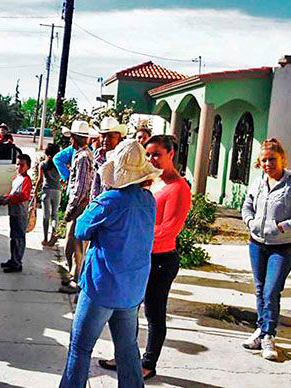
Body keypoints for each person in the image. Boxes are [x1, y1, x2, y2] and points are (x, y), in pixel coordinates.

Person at [59, 139, 162, 388]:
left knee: (80, 347)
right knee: (127, 350)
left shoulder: (110, 200)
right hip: (132, 289)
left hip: (102, 286)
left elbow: (81, 229)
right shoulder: (149, 200)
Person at [98, 135, 192, 379]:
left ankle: (148, 363)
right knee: (127, 311)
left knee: (154, 313)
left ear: (171, 154)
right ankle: (125, 357)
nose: (152, 159)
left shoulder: (178, 188)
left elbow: (168, 229)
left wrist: (132, 237)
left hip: (161, 260)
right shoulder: (151, 181)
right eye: (148, 154)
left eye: (157, 154)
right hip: (141, 257)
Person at [241, 138, 291, 361]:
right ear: (259, 163)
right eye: (264, 160)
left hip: (282, 246)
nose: (268, 164)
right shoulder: (258, 182)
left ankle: (270, 336)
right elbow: (247, 205)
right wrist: (250, 222)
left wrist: (285, 226)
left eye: (272, 159)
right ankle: (261, 332)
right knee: (261, 290)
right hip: (257, 244)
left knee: (272, 291)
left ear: (282, 159)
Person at [59, 120, 95, 294]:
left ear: (74, 138)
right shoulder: (85, 154)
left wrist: (70, 209)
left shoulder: (81, 157)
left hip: (79, 206)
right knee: (74, 243)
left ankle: (77, 279)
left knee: (75, 245)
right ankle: (74, 274)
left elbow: (80, 188)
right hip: (82, 204)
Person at [0, 153, 33, 273]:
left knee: (18, 237)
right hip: (13, 211)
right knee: (14, 237)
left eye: (22, 165)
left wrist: (9, 199)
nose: (19, 167)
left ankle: (17, 262)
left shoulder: (26, 180)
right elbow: (14, 193)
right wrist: (8, 198)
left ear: (28, 167)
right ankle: (13, 259)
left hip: (20, 212)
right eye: (17, 164)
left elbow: (24, 196)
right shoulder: (17, 178)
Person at [91, 116, 127, 199]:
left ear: (119, 139)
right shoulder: (97, 155)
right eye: (103, 136)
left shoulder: (122, 158)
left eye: (110, 136)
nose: (105, 140)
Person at [34, 143, 61, 246]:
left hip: (46, 191)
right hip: (57, 191)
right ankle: (54, 232)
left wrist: (35, 191)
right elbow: (64, 177)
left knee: (46, 215)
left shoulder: (43, 164)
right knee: (55, 214)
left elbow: (40, 180)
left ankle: (45, 238)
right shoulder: (59, 165)